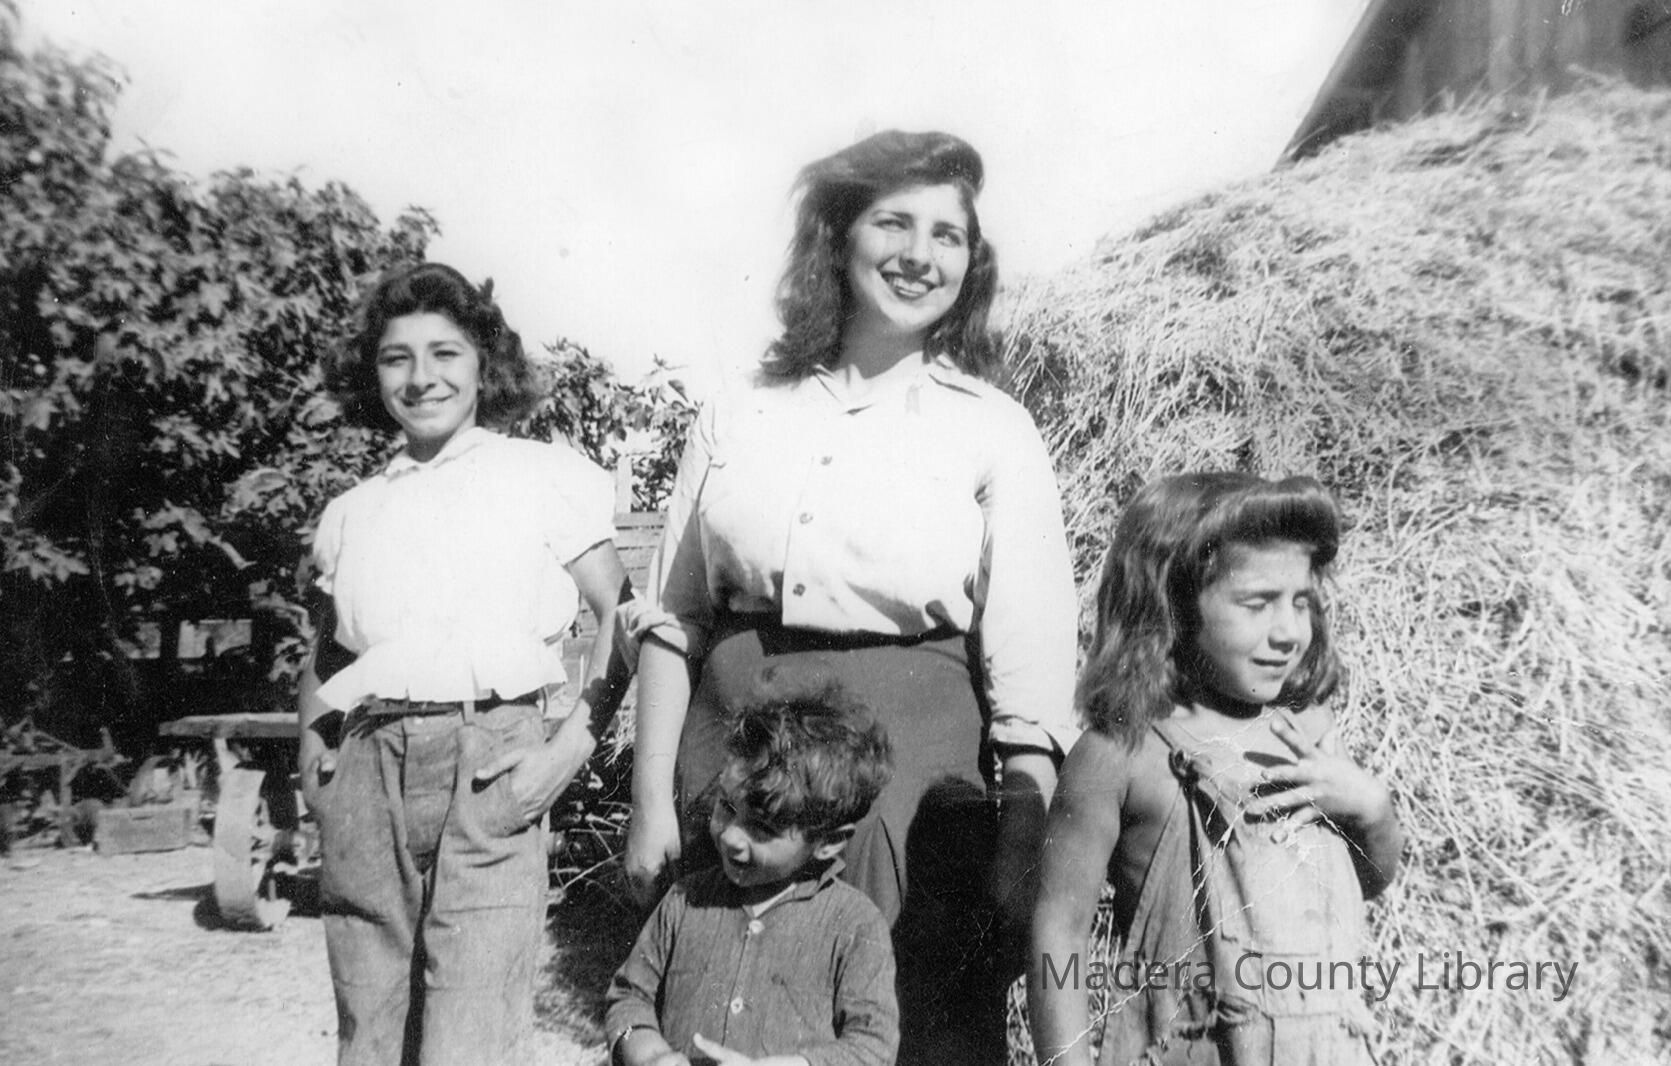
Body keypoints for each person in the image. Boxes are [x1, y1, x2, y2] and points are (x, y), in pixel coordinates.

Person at [624, 129, 1080, 1066]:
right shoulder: (740, 410)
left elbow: (1032, 658)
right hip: (735, 753)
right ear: (837, 237)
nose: (920, 255)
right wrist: (649, 800)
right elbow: (674, 620)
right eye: (893, 223)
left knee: (901, 1015)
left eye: (947, 235)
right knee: (721, 1002)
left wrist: (1022, 831)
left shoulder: (992, 429)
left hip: (907, 770)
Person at [297, 262, 630, 1066]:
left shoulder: (540, 476)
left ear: (485, 363)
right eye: (396, 357)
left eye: (444, 353)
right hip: (366, 769)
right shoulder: (353, 510)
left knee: (467, 1037)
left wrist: (567, 751)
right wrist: (313, 764)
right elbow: (326, 646)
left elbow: (622, 616)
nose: (421, 378)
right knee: (369, 1032)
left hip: (491, 763)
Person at [1028, 473, 1405, 1066]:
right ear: (1172, 605)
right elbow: (1059, 932)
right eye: (1258, 604)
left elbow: (1363, 886)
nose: (1288, 632)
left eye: (1300, 602)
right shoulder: (1122, 754)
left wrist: (1373, 810)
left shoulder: (1307, 735)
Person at [605, 681, 898, 1066]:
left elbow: (873, 1047)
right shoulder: (683, 901)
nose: (730, 836)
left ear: (828, 842)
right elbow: (627, 1000)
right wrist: (650, 1054)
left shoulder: (857, 926)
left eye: (762, 828)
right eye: (726, 807)